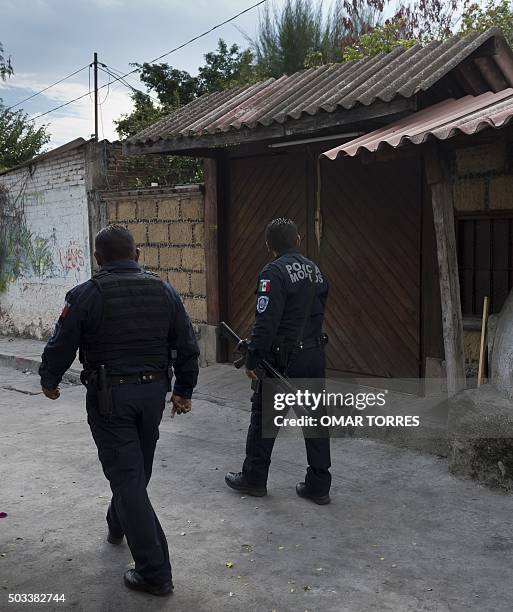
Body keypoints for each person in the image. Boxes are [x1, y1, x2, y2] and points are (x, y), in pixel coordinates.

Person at [39, 224, 199, 596]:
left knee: (128, 478)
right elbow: (187, 344)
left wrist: (49, 379)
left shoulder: (86, 294)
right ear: (137, 254)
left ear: (98, 259)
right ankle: (118, 523)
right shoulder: (164, 289)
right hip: (153, 395)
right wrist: (183, 390)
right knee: (134, 471)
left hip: (111, 399)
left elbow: (62, 343)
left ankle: (155, 572)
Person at [225, 218, 331, 505]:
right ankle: (319, 485)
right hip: (313, 355)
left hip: (282, 361)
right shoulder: (316, 270)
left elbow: (265, 323)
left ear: (268, 245)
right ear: (298, 239)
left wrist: (252, 358)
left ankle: (254, 479)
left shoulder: (273, 272)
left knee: (263, 420)